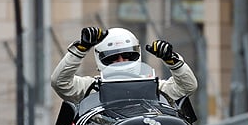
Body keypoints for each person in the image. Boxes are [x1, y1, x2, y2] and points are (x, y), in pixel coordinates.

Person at [51, 26, 198, 104]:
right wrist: (81, 48)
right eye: (113, 57)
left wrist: (172, 60)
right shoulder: (91, 88)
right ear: (100, 58)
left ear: (137, 53)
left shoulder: (152, 86)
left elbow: (187, 87)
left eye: (127, 56)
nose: (121, 61)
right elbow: (60, 83)